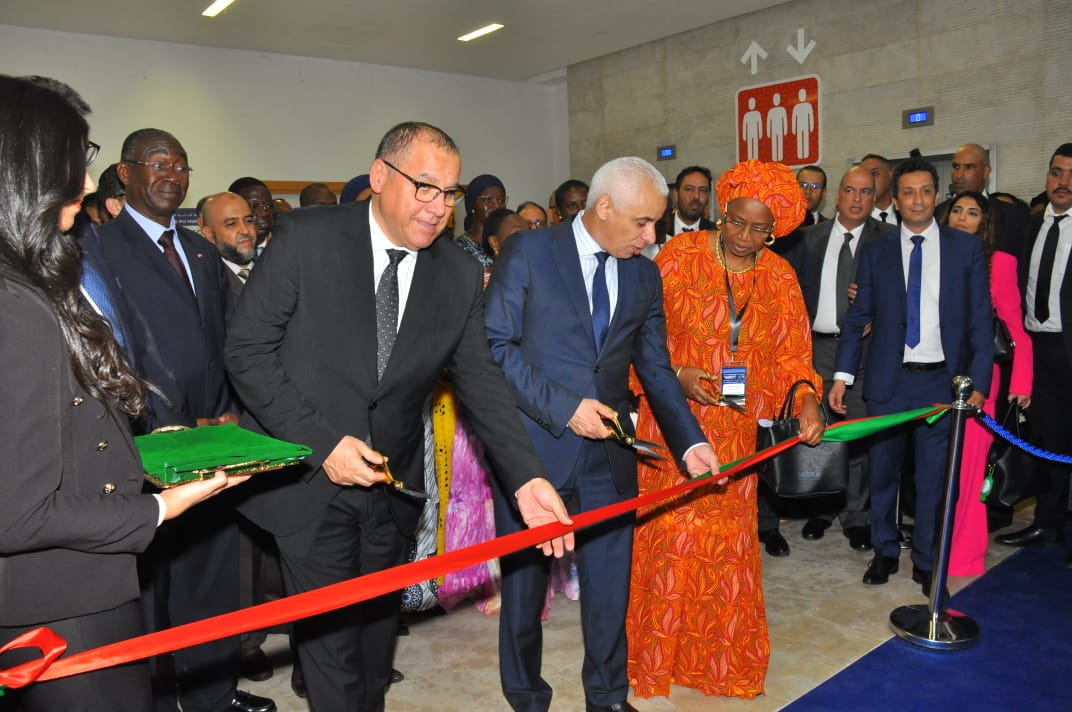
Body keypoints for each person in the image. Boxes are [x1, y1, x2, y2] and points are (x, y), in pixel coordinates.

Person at [224, 121, 573, 712]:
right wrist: (323, 444)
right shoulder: (307, 238)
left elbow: (481, 380)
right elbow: (246, 352)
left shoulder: (457, 272)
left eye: (450, 193)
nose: (439, 207)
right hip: (309, 481)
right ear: (381, 176)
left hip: (392, 487)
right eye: (425, 187)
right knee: (331, 650)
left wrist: (527, 475)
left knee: (373, 646)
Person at [0, 74, 243, 712]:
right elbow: (17, 511)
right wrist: (160, 508)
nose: (87, 183)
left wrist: (141, 451)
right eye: (73, 160)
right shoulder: (19, 304)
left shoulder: (28, 281)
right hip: (62, 601)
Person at [485, 156, 722, 712]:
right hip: (533, 457)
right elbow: (494, 347)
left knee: (610, 586)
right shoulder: (530, 252)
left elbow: (655, 367)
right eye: (643, 222)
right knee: (524, 593)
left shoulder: (644, 274)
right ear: (605, 207)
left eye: (657, 223)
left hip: (610, 456)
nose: (652, 236)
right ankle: (526, 698)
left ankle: (608, 697)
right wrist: (565, 408)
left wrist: (690, 442)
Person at [625, 160, 822, 700]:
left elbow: (793, 354)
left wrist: (806, 397)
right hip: (672, 423)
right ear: (721, 210)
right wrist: (678, 376)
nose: (743, 237)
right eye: (735, 222)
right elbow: (638, 336)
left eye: (759, 229)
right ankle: (655, 660)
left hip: (735, 431)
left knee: (724, 546)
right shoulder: (679, 256)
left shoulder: (778, 276)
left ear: (775, 230)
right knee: (671, 538)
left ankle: (717, 663)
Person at [100, 129, 273, 712]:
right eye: (157, 163)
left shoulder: (200, 250)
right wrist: (171, 421)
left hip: (215, 440)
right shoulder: (100, 248)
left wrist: (230, 410)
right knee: (152, 585)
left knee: (212, 576)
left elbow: (229, 339)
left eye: (180, 165)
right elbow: (111, 354)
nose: (171, 175)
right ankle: (154, 698)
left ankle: (211, 696)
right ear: (126, 173)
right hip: (149, 442)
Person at [829, 158, 993, 596]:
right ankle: (884, 550)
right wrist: (842, 375)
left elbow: (981, 321)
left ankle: (925, 560)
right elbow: (858, 316)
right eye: (908, 192)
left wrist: (979, 383)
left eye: (925, 191)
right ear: (896, 201)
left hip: (941, 383)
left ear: (937, 196)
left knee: (932, 479)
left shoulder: (964, 248)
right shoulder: (877, 250)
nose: (917, 200)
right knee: (882, 473)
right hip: (889, 382)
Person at [791, 166, 896, 551]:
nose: (857, 198)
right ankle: (820, 509)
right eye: (850, 190)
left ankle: (855, 515)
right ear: (836, 195)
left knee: (857, 432)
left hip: (866, 352)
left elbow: (903, 296)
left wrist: (878, 310)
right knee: (817, 432)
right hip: (815, 348)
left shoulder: (889, 239)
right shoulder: (808, 238)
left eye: (866, 192)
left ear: (874, 198)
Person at [941, 191, 1032, 575]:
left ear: (985, 222)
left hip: (980, 379)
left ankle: (964, 554)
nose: (962, 218)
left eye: (972, 213)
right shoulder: (931, 257)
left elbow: (1016, 327)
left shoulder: (1000, 263)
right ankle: (937, 547)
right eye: (957, 211)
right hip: (934, 374)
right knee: (939, 469)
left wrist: (1022, 381)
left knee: (969, 469)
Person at [997, 143, 1072, 568]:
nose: (1063, 182)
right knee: (1049, 440)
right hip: (1037, 349)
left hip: (1069, 345)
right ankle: (1048, 523)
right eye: (1057, 172)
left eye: (1071, 174)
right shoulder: (1028, 227)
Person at [457, 173, 507, 270]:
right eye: (488, 200)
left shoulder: (508, 243)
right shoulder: (459, 249)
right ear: (472, 205)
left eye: (501, 200)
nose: (497, 205)